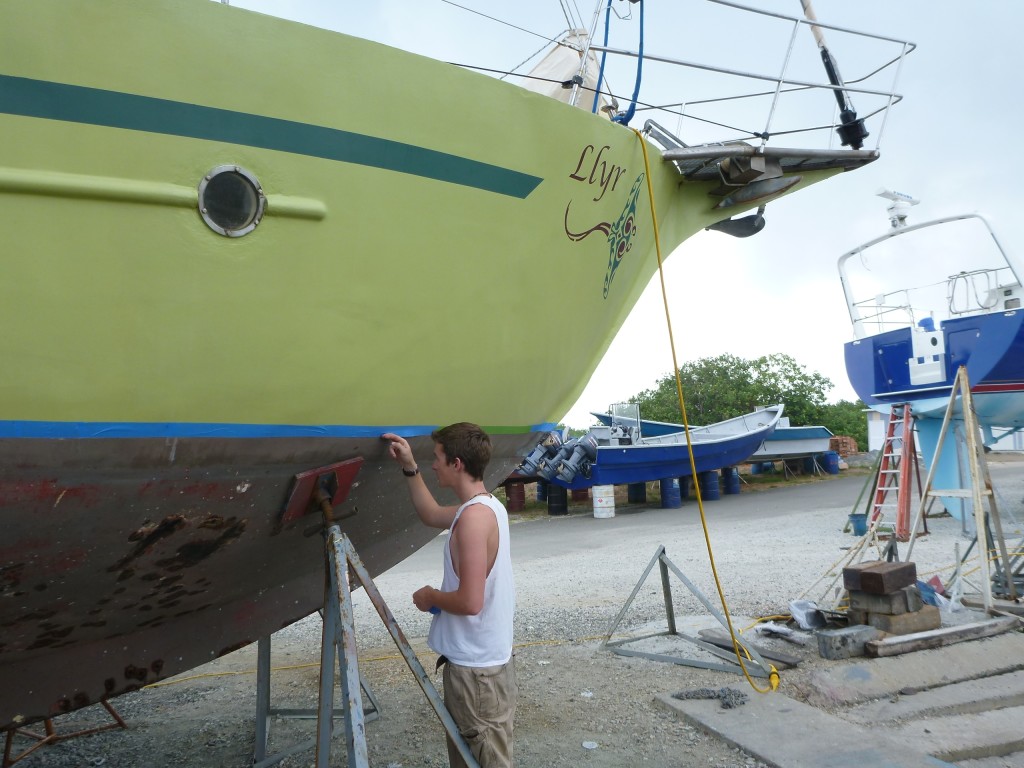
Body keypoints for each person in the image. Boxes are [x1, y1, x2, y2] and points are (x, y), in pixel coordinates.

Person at [381, 423, 517, 768]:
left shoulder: (472, 520)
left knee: (486, 759)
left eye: (437, 458)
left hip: (476, 676)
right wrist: (408, 466)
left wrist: (431, 596)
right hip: (483, 667)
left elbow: (471, 602)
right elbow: (429, 514)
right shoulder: (485, 507)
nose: (433, 465)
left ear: (457, 463)